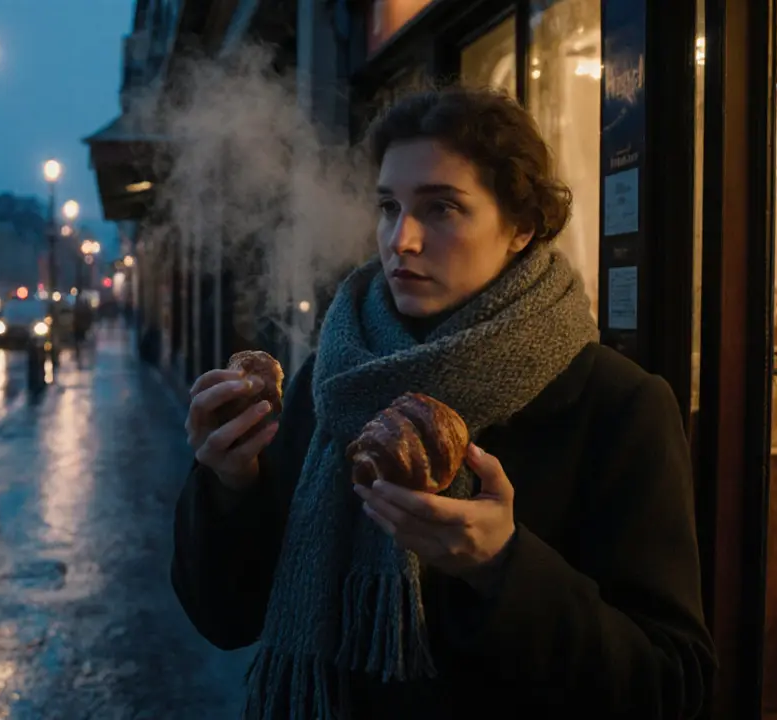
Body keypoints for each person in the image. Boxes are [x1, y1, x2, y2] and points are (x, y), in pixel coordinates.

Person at [172, 86, 715, 719]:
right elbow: (228, 618)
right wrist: (230, 483)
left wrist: (502, 566)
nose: (400, 239)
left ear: (521, 227)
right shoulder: (334, 378)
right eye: (387, 206)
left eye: (441, 208)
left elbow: (671, 685)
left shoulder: (618, 404)